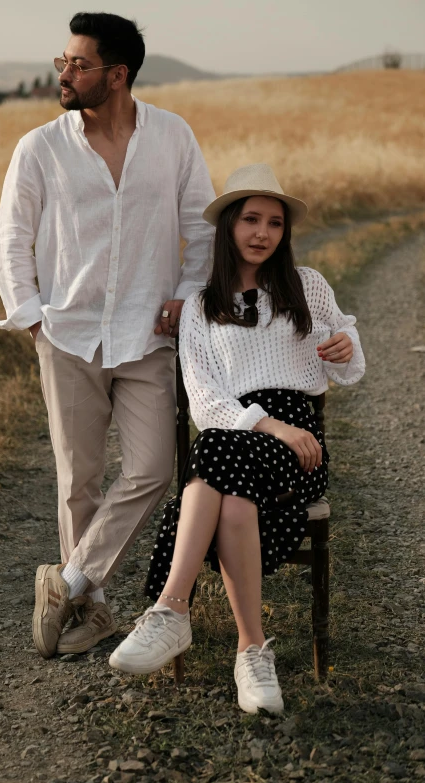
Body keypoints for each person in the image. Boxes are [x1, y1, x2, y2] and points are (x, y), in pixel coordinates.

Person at [0, 12, 215, 658]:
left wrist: (187, 295)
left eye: (78, 64)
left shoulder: (173, 138)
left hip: (148, 334)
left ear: (117, 76)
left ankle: (63, 581)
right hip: (67, 332)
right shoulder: (40, 147)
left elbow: (201, 229)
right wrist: (32, 315)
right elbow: (14, 238)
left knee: (152, 468)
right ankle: (91, 611)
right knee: (78, 480)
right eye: (62, 61)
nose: (64, 73)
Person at [109, 163, 366, 714]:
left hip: (301, 446)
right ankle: (252, 650)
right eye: (250, 220)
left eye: (274, 223)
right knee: (225, 470)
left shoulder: (308, 286)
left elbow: (350, 365)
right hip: (251, 433)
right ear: (228, 226)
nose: (262, 234)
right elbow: (204, 402)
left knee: (212, 459)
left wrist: (344, 345)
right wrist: (269, 424)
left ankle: (172, 612)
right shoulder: (203, 306)